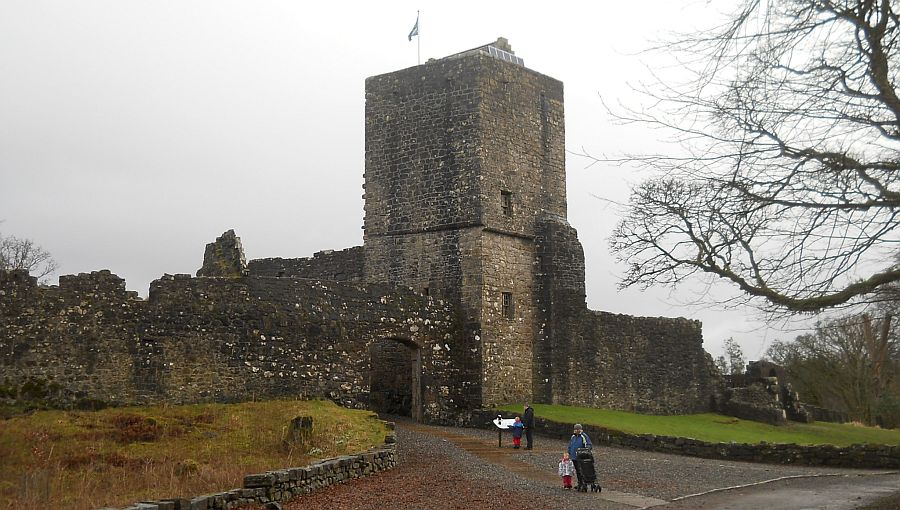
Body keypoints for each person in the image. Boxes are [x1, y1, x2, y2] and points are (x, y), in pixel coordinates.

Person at [567, 423, 592, 489]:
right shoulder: (573, 437)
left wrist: (585, 451)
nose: (577, 430)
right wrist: (569, 452)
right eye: (576, 429)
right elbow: (570, 445)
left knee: (582, 470)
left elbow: (589, 444)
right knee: (577, 471)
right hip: (574, 456)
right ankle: (580, 483)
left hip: (581, 456)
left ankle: (584, 483)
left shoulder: (584, 436)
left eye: (578, 429)